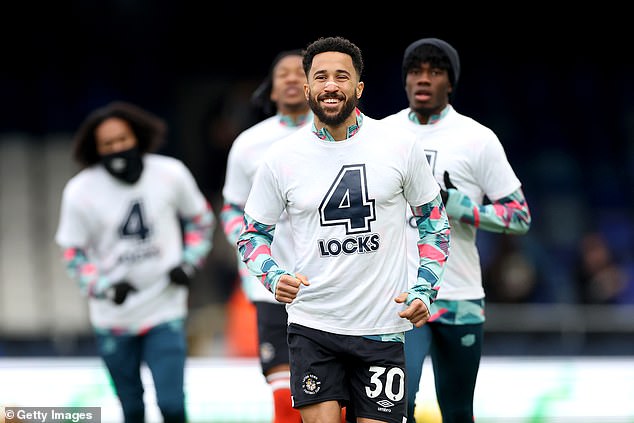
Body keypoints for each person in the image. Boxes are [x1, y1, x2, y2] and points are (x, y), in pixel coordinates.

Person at [237, 36, 450, 423]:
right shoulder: (280, 158)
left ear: (358, 87)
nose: (331, 85)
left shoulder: (400, 145)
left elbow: (434, 226)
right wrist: (273, 275)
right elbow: (252, 235)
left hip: (382, 327)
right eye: (320, 77)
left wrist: (425, 289)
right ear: (307, 89)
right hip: (313, 325)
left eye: (341, 76)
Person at [382, 38, 532, 423]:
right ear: (404, 80)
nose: (423, 79)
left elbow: (520, 216)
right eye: (416, 71)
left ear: (451, 82)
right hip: (398, 295)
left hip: (460, 295)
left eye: (435, 72)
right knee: (396, 407)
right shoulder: (382, 135)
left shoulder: (477, 138)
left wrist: (461, 207)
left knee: (458, 411)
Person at [55, 101, 215, 423]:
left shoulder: (170, 173)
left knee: (171, 405)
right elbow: (73, 251)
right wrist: (103, 287)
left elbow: (201, 220)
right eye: (108, 144)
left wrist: (189, 263)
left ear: (138, 137)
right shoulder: (80, 191)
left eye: (123, 140)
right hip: (113, 316)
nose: (118, 149)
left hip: (165, 308)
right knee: (131, 408)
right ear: (95, 150)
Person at [221, 49, 311, 423]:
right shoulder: (248, 143)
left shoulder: (343, 137)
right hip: (269, 287)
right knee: (284, 400)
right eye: (282, 75)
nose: (291, 79)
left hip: (330, 282)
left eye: (300, 73)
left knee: (331, 395)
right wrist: (251, 249)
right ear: (271, 90)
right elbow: (231, 208)